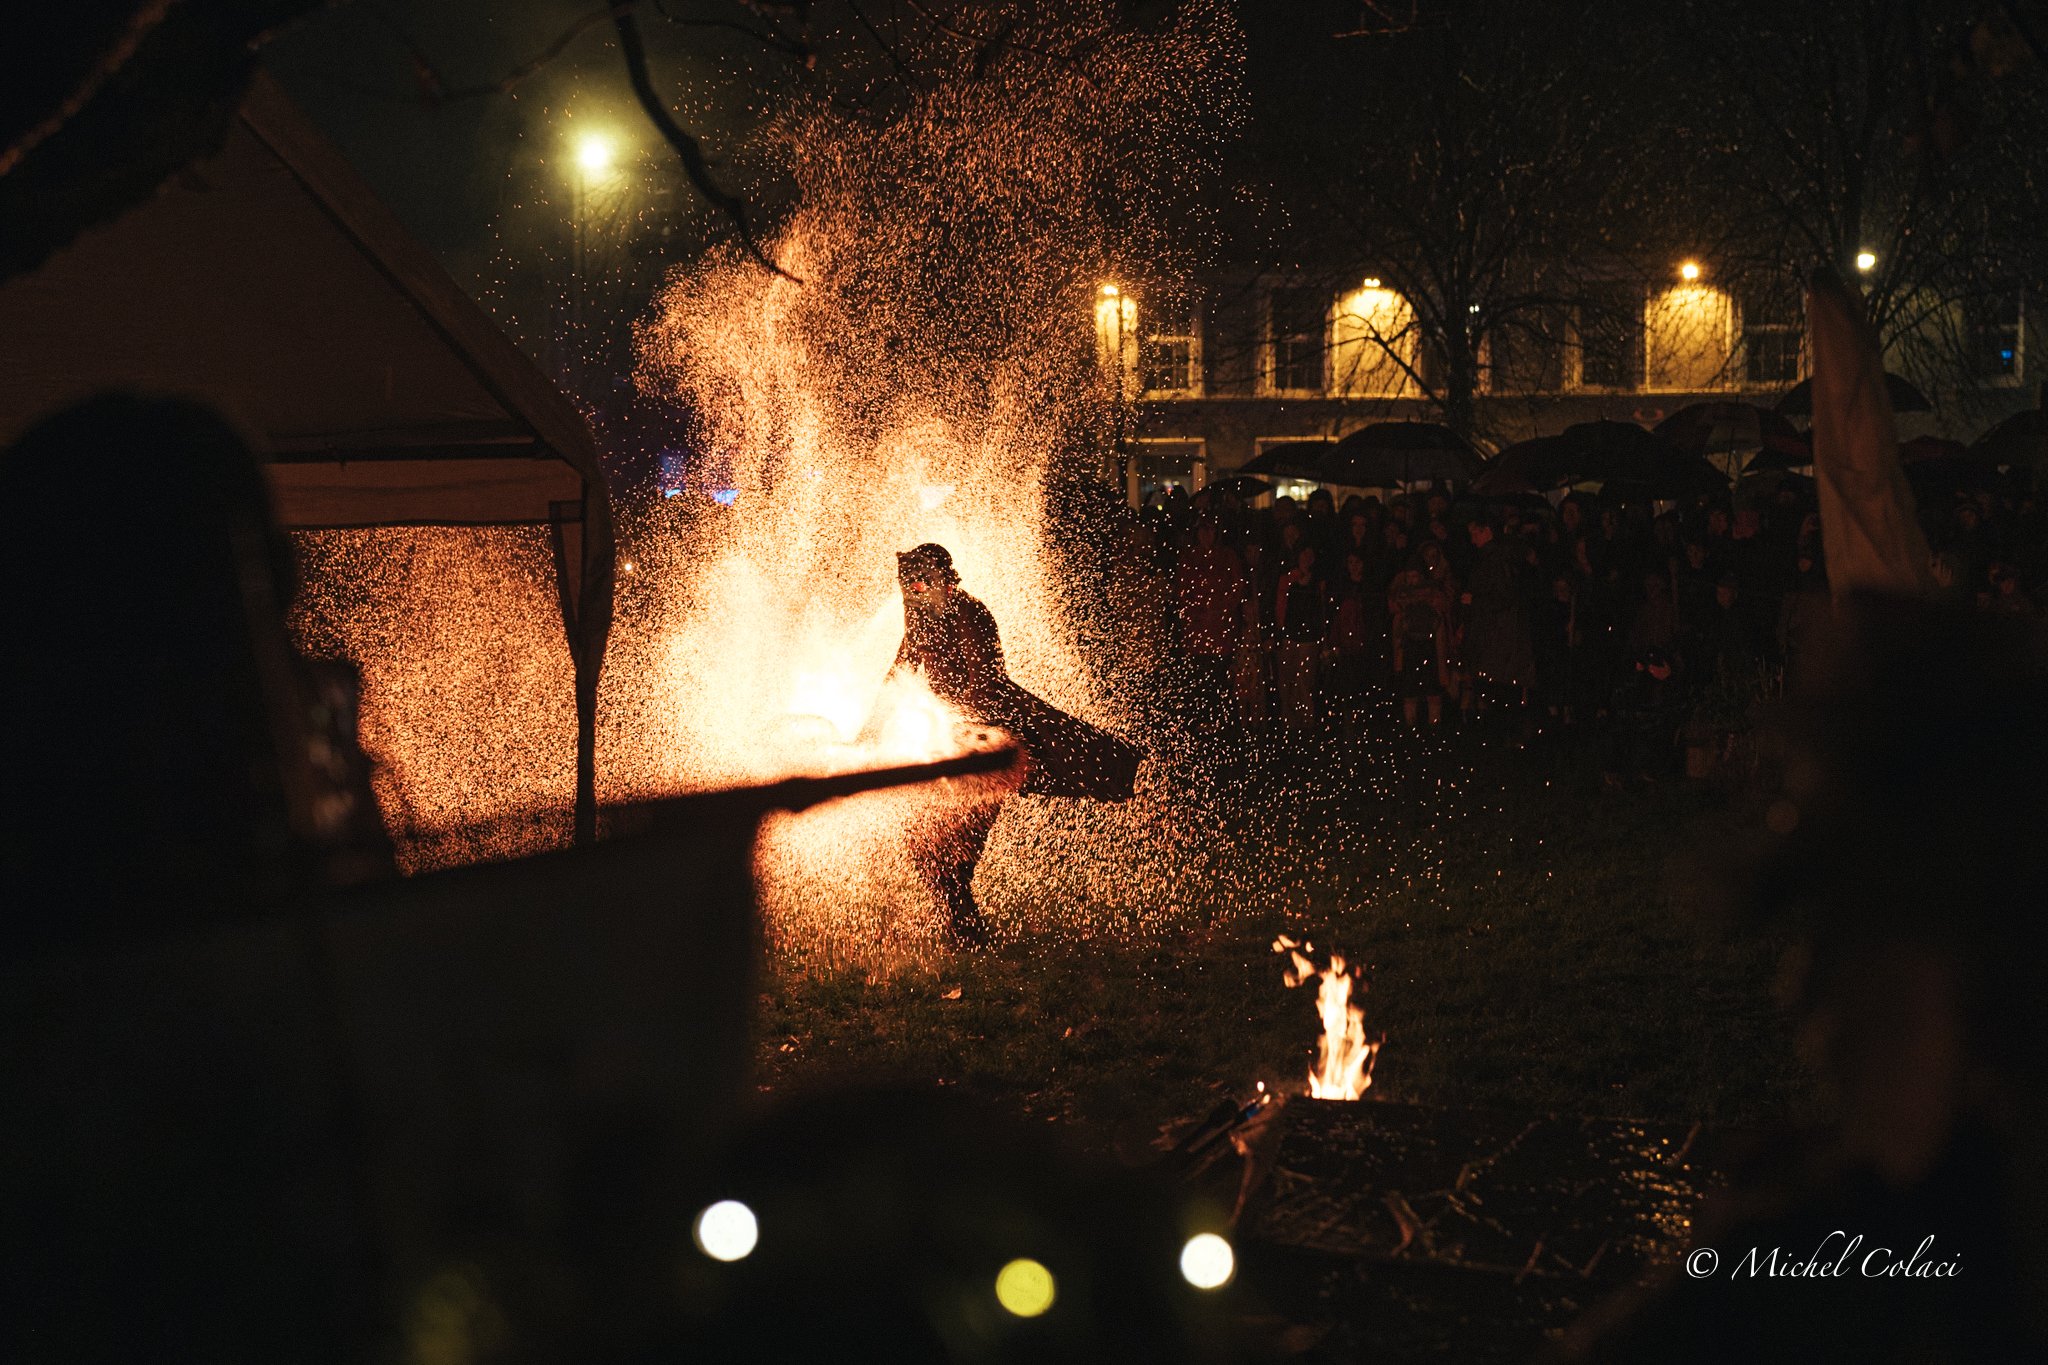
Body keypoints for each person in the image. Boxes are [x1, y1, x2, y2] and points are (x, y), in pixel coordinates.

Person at [868, 543, 1142, 947]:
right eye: (907, 582)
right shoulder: (921, 618)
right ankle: (964, 927)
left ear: (943, 577)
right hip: (956, 739)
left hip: (987, 741)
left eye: (920, 580)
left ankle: (965, 929)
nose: (912, 589)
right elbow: (896, 675)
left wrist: (954, 728)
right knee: (923, 839)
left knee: (954, 840)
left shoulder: (969, 613)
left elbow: (986, 683)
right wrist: (866, 732)